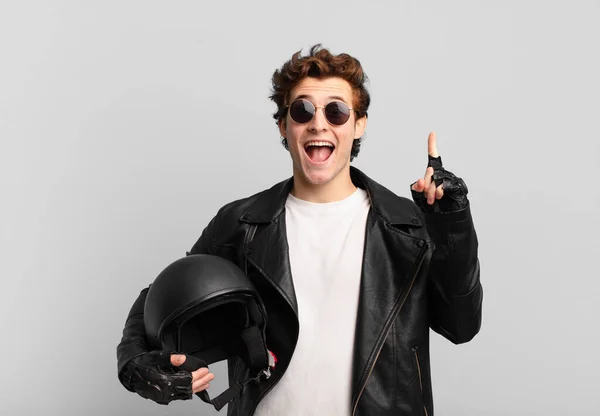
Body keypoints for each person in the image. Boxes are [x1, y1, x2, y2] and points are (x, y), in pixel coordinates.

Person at [116, 44, 483, 416]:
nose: (319, 123)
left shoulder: (408, 226)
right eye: (302, 110)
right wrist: (135, 365)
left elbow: (461, 325)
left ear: (358, 124)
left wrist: (451, 222)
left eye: (336, 111)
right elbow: (159, 297)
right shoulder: (241, 224)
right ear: (284, 125)